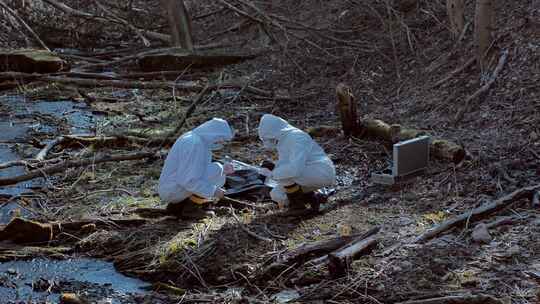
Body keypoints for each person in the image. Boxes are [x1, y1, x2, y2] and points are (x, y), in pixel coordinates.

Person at [257, 114, 336, 213]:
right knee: (276, 195)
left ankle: (298, 208)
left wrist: (273, 173)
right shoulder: (283, 141)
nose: (267, 141)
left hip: (322, 172)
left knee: (284, 175)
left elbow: (295, 169)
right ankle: (314, 198)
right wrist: (273, 166)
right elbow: (287, 164)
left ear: (273, 132)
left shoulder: (297, 138)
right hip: (308, 172)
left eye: (267, 138)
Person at [158, 118, 234, 219]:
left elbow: (195, 171)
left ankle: (178, 207)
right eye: (221, 139)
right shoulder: (195, 144)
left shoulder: (194, 139)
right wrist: (214, 191)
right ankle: (191, 209)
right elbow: (189, 180)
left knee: (218, 169)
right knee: (217, 169)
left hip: (171, 187)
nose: (221, 142)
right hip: (173, 190)